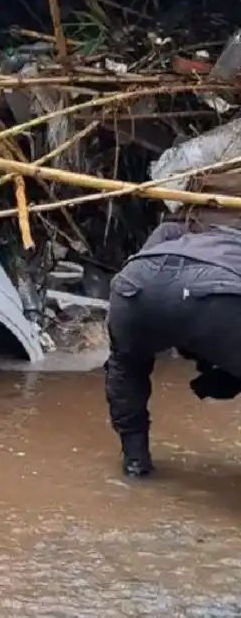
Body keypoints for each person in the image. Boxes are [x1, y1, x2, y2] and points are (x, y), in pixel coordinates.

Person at [105, 171, 241, 478]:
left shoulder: (174, 228)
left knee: (125, 367)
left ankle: (135, 462)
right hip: (216, 293)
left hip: (135, 284)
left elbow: (151, 274)